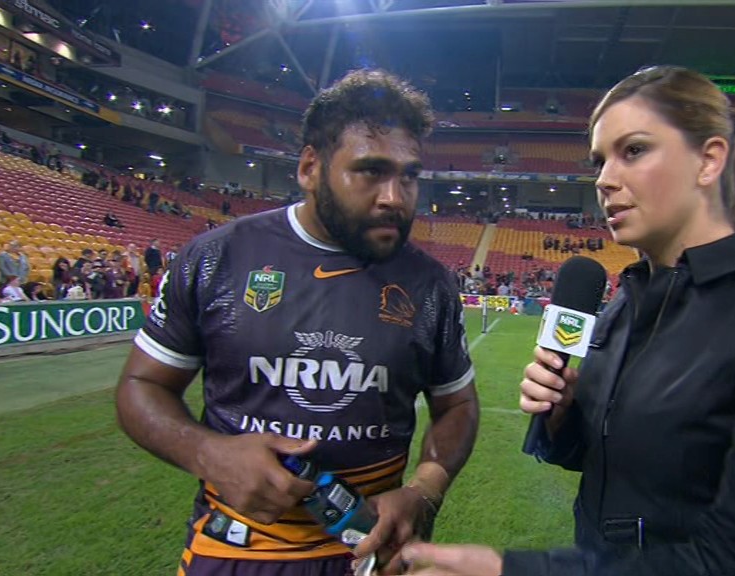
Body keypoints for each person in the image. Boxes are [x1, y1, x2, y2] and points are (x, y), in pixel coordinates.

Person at [397, 66, 735, 576]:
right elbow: (608, 462)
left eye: (634, 150)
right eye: (599, 160)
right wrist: (564, 415)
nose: (603, 179)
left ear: (709, 160)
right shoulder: (627, 300)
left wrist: (514, 571)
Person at [115, 69, 480, 576]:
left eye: (409, 176)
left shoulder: (429, 284)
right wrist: (208, 452)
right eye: (370, 171)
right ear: (310, 168)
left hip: (372, 555)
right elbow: (141, 385)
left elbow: (457, 403)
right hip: (235, 552)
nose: (395, 197)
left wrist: (424, 490)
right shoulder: (216, 258)